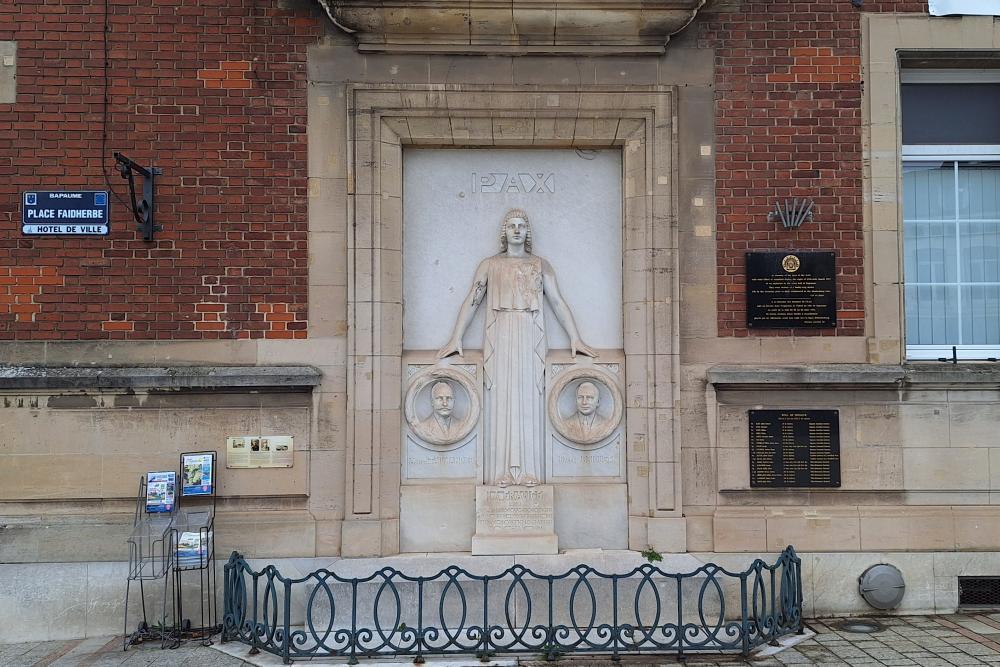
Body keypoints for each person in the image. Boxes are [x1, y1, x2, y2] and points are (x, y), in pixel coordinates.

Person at [438, 208, 596, 487]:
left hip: (528, 336)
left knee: (528, 402)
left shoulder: (540, 265)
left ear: (527, 231)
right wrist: (456, 337)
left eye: (521, 225)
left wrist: (575, 338)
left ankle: (529, 471)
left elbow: (557, 302)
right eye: (511, 225)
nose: (516, 229)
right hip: (500, 336)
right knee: (501, 401)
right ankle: (501, 472)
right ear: (504, 231)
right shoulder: (490, 265)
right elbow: (473, 300)